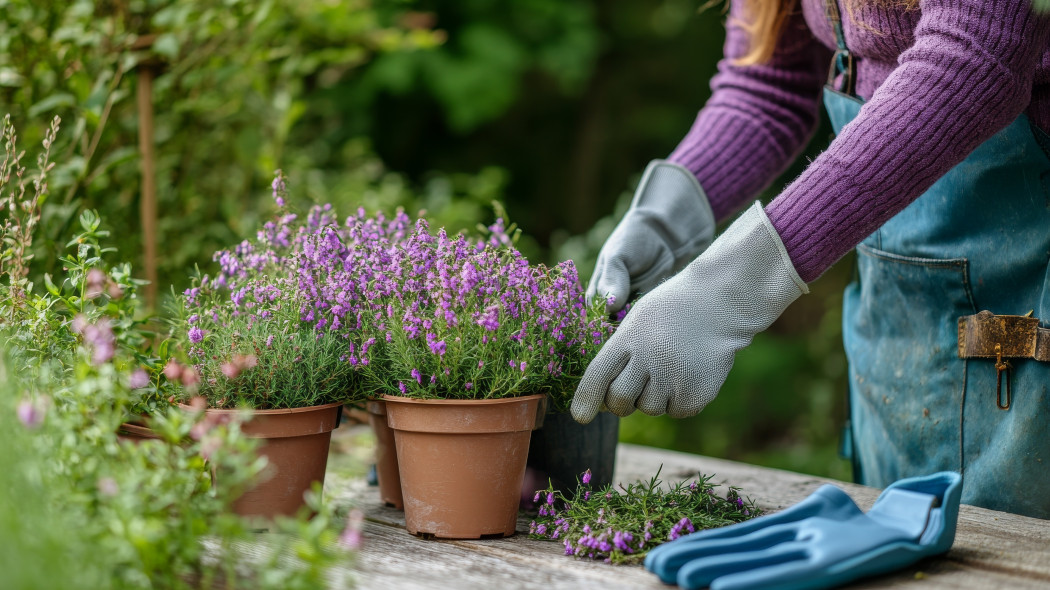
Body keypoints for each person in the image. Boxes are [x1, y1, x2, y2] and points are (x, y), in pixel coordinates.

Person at [571, 0, 1050, 520]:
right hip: (902, 317)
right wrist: (668, 216)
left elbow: (977, 54)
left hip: (1031, 285)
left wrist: (729, 289)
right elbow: (767, 85)